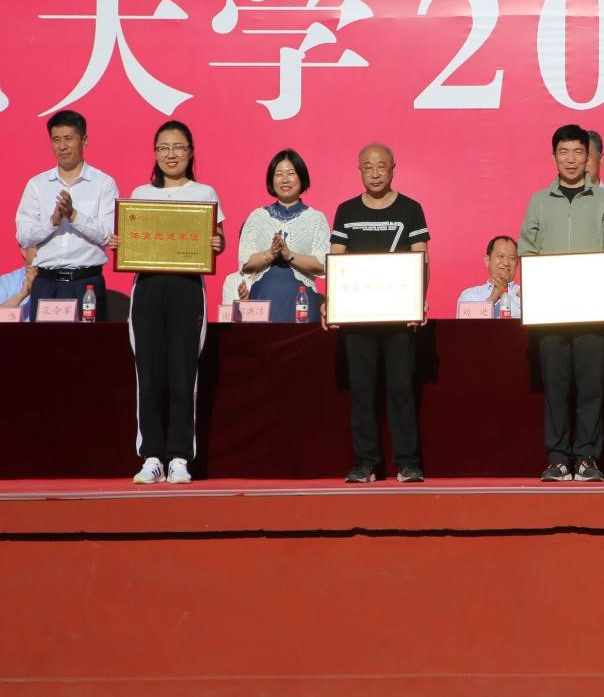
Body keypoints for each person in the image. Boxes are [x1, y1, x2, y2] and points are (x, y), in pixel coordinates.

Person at [519, 124, 604, 482]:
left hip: (593, 307)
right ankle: (558, 458)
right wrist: (533, 292)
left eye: (579, 151)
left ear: (589, 156)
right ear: (554, 157)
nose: (571, 159)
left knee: (592, 385)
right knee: (556, 385)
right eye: (564, 152)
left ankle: (588, 458)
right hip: (550, 308)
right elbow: (526, 250)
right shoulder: (538, 201)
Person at [126, 121, 225, 485]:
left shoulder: (204, 192)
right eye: (164, 148)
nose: (171, 154)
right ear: (155, 153)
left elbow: (218, 238)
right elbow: (130, 238)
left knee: (184, 375)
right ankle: (152, 456)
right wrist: (123, 242)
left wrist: (217, 243)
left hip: (187, 288)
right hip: (148, 289)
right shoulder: (140, 194)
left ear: (190, 152)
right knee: (149, 374)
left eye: (178, 147)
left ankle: (180, 457)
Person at [324, 143, 430, 484]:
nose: (375, 173)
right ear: (359, 170)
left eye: (381, 166)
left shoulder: (411, 209)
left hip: (399, 316)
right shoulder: (346, 210)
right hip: (358, 317)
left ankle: (408, 463)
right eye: (368, 167)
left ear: (393, 168)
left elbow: (422, 258)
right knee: (362, 392)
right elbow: (336, 258)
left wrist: (418, 299)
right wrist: (331, 301)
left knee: (402, 390)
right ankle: (365, 463)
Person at [16, 110, 118, 321]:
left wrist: (74, 216)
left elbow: (109, 235)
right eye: (56, 140)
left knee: (89, 342)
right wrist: (53, 222)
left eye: (68, 139)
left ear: (84, 141)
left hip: (86, 283)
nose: (62, 146)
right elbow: (24, 236)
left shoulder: (103, 183)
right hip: (46, 283)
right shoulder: (37, 184)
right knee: (44, 342)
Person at [237, 149, 330, 322]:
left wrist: (290, 255)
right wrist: (270, 253)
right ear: (271, 180)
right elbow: (245, 263)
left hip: (302, 302)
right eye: (279, 174)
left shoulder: (316, 218)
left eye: (291, 173)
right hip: (262, 301)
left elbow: (322, 265)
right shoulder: (257, 217)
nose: (285, 180)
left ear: (301, 177)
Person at [456, 235, 520, 318]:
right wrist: (492, 299)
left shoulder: (524, 295)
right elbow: (466, 324)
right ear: (487, 261)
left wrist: (506, 296)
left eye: (512, 258)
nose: (506, 263)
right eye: (501, 256)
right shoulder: (471, 295)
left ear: (517, 263)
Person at [0, 248, 37, 320]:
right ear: (23, 250)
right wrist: (21, 295)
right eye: (36, 246)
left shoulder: (58, 280)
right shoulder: (6, 281)